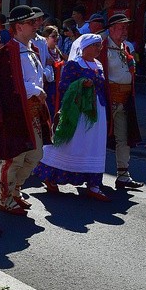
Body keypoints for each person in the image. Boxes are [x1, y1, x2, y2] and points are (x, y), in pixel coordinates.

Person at [32, 34, 111, 202]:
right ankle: (50, 175)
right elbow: (63, 86)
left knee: (94, 144)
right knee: (71, 142)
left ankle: (94, 184)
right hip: (79, 111)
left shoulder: (99, 64)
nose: (99, 49)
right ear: (85, 47)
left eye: (100, 46)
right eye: (95, 45)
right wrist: (82, 83)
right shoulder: (74, 64)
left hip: (97, 110)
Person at [0, 5, 52, 216]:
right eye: (31, 22)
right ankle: (5, 198)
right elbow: (5, 86)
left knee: (35, 154)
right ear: (18, 27)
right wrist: (35, 89)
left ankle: (16, 190)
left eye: (36, 21)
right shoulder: (7, 52)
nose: (37, 25)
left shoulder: (32, 49)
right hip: (15, 112)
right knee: (15, 157)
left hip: (33, 111)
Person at [98, 14, 144, 189]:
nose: (125, 30)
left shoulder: (126, 48)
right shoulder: (102, 47)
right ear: (111, 29)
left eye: (126, 27)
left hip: (124, 100)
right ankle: (94, 175)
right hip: (107, 100)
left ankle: (123, 175)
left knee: (124, 138)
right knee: (100, 138)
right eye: (121, 27)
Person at [42, 25, 65, 122]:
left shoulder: (58, 51)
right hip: (49, 87)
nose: (56, 38)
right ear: (46, 38)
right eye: (53, 36)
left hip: (59, 86)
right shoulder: (44, 52)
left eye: (57, 36)